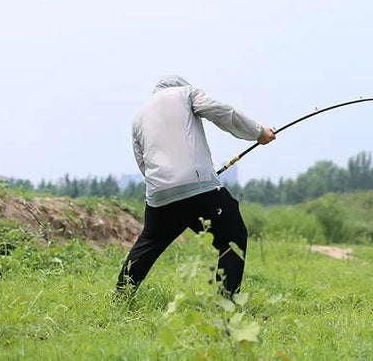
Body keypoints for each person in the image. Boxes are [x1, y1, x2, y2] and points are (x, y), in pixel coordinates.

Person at [116, 75, 275, 297]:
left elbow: (142, 160)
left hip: (160, 194)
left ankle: (121, 298)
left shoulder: (139, 117)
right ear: (180, 85)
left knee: (148, 244)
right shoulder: (187, 93)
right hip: (199, 189)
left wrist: (166, 186)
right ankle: (226, 302)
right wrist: (258, 132)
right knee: (233, 237)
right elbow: (222, 112)